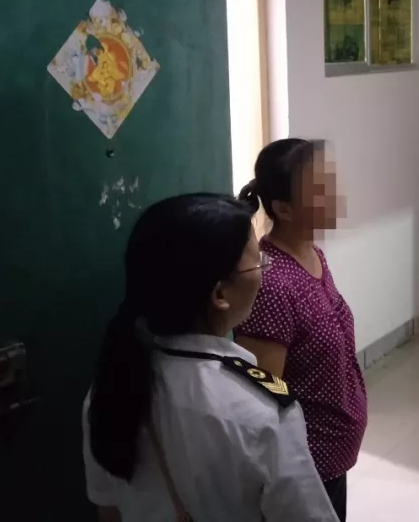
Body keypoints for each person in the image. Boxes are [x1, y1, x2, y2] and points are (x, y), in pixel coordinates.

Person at [82, 193, 339, 522]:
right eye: (257, 261)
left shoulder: (107, 391)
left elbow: (108, 510)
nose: (264, 269)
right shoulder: (263, 410)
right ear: (219, 294)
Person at [235, 139, 366, 521]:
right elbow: (266, 391)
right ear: (283, 209)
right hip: (305, 465)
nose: (335, 196)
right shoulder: (272, 285)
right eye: (320, 190)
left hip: (333, 455)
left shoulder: (313, 254)